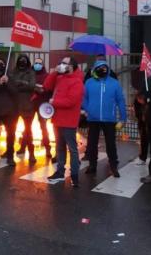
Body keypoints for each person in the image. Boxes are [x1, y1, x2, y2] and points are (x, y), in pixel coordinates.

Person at [44, 57, 85, 188]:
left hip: (68, 121)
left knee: (72, 149)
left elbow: (70, 102)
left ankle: (74, 175)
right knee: (60, 147)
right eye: (60, 62)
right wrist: (54, 72)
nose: (61, 65)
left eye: (64, 63)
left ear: (71, 66)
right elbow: (47, 86)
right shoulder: (60, 78)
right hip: (57, 119)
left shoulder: (77, 82)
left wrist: (54, 102)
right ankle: (60, 172)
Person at [82, 60, 127, 177]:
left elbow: (120, 100)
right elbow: (84, 98)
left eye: (105, 68)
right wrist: (88, 109)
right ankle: (92, 165)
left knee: (111, 144)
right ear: (95, 69)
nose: (103, 70)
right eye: (100, 68)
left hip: (109, 119)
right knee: (92, 144)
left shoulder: (114, 83)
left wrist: (123, 118)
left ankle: (113, 165)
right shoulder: (89, 82)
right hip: (93, 119)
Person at [9, 54, 37, 163]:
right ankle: (9, 152)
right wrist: (22, 85)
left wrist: (20, 83)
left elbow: (32, 85)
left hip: (26, 105)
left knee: (28, 131)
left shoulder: (30, 72)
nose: (22, 62)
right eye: (20, 60)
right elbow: (11, 85)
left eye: (24, 60)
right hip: (14, 105)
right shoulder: (13, 72)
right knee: (11, 130)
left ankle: (31, 153)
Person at [133, 91, 149, 165]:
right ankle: (142, 158)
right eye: (139, 99)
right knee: (143, 141)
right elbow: (136, 112)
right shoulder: (136, 102)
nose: (140, 101)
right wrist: (141, 116)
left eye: (141, 99)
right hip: (142, 123)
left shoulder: (149, 98)